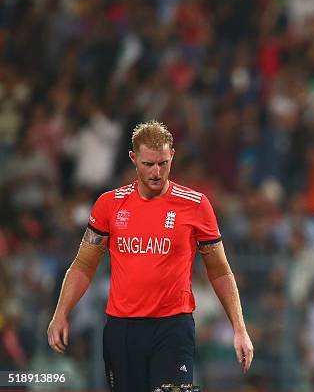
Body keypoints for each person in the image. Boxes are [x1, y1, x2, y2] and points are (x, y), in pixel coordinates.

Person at [47, 121, 254, 391]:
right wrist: (61, 313)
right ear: (133, 158)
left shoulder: (195, 205)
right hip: (123, 329)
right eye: (148, 164)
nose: (156, 172)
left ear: (172, 157)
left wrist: (239, 327)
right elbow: (84, 264)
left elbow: (220, 270)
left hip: (173, 327)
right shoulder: (110, 204)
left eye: (163, 163)